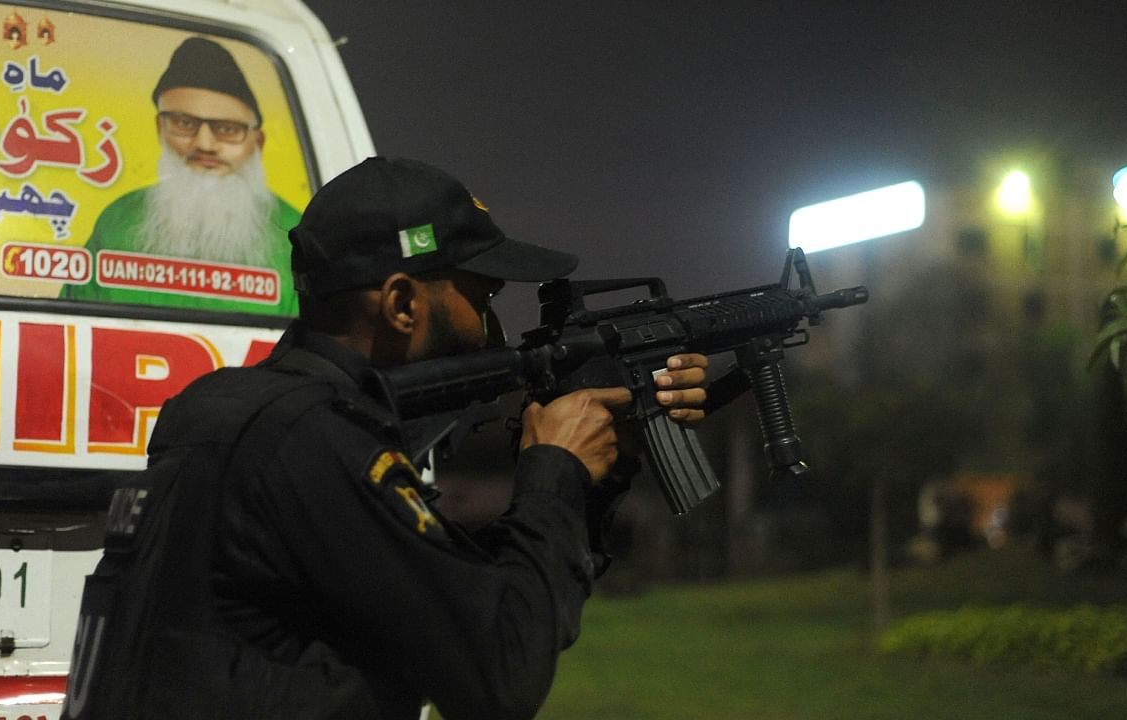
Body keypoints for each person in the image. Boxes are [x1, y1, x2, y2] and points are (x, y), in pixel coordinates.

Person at [61, 157, 708, 719]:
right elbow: (501, 677)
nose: (492, 331)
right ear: (401, 304)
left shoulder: (221, 409)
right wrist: (554, 472)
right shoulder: (316, 445)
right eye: (479, 298)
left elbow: (467, 600)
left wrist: (595, 474)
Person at [64, 36, 301, 314]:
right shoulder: (118, 221)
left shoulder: (297, 236)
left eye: (227, 129)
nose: (204, 144)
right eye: (184, 123)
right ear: (160, 128)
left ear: (257, 142)